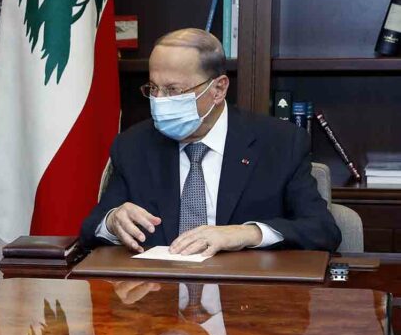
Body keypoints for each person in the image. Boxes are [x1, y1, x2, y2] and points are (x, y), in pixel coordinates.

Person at [80, 28, 340, 256]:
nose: (159, 100)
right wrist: (113, 221)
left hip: (247, 298)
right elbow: (91, 229)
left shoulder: (281, 143)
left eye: (173, 90)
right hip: (157, 295)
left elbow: (322, 230)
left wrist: (245, 234)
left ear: (218, 89)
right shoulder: (134, 145)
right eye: (153, 88)